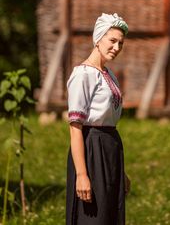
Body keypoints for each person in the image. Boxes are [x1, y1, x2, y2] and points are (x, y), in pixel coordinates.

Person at [66, 13, 131, 225]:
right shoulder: (83, 74)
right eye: (112, 40)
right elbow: (76, 127)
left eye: (120, 43)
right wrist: (82, 174)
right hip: (91, 149)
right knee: (94, 217)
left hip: (110, 149)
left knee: (110, 215)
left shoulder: (108, 73)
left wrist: (121, 172)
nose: (117, 47)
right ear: (98, 38)